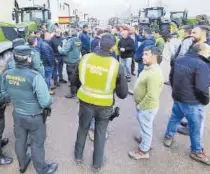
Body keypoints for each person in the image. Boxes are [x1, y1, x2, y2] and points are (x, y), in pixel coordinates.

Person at [72, 34, 128, 171]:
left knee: (82, 128)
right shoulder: (116, 66)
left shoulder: (85, 59)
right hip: (104, 106)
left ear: (98, 44)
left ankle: (78, 156)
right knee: (100, 133)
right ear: (113, 47)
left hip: (85, 102)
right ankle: (97, 164)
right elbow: (123, 94)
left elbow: (74, 80)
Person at [2, 45, 58, 173]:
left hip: (17, 114)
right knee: (37, 143)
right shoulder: (35, 76)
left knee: (20, 140)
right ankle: (42, 169)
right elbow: (45, 101)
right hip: (35, 116)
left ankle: (22, 164)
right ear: (28, 58)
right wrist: (51, 101)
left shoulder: (7, 74)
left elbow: (5, 94)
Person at [163, 43, 210, 166]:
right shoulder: (202, 65)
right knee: (195, 127)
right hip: (192, 102)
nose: (209, 54)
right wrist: (205, 100)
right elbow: (202, 88)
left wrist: (175, 92)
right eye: (208, 51)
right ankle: (196, 151)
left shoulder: (179, 59)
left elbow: (171, 77)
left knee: (174, 117)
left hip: (178, 97)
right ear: (200, 51)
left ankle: (168, 137)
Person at [128, 46, 164, 160]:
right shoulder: (148, 68)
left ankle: (143, 151)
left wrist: (140, 106)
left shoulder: (154, 74)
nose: (142, 56)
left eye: (146, 54)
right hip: (144, 107)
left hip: (146, 107)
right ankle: (145, 141)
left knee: (146, 127)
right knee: (145, 127)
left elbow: (151, 97)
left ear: (154, 56)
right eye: (143, 54)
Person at [58, 28, 82, 98]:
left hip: (70, 62)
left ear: (70, 34)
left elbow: (64, 51)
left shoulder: (70, 41)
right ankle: (78, 90)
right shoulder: (78, 40)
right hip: (77, 61)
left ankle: (72, 93)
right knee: (77, 77)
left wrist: (59, 48)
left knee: (72, 78)